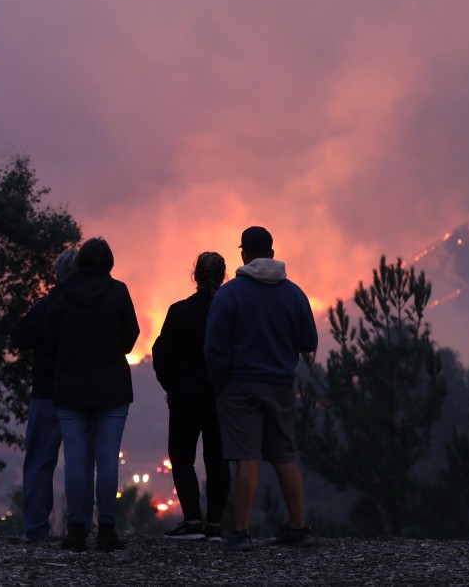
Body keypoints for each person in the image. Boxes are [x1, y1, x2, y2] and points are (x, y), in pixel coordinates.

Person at [204, 226, 318, 551]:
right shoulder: (294, 294)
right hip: (281, 386)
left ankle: (240, 533)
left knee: (246, 458)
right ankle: (299, 527)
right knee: (284, 455)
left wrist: (221, 383)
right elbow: (309, 341)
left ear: (243, 254)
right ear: (271, 252)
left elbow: (214, 349)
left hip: (240, 387)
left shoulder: (230, 294)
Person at [49, 237, 140, 551]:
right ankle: (107, 529)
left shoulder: (61, 294)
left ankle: (76, 529)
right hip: (112, 388)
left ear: (80, 263)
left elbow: (50, 337)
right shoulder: (118, 292)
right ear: (109, 264)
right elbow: (131, 338)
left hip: (70, 387)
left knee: (75, 460)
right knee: (107, 459)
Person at [152, 252, 231, 542]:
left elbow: (161, 354)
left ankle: (193, 521)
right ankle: (214, 525)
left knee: (182, 458)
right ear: (223, 277)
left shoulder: (179, 311)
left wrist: (172, 386)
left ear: (195, 276)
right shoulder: (231, 312)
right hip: (220, 398)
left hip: (185, 397)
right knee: (218, 459)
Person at [9, 248, 78, 545]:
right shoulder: (89, 311)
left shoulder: (46, 306)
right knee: (80, 463)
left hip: (46, 395)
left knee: (39, 463)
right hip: (79, 398)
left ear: (57, 274)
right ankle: (80, 528)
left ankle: (36, 530)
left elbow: (19, 337)